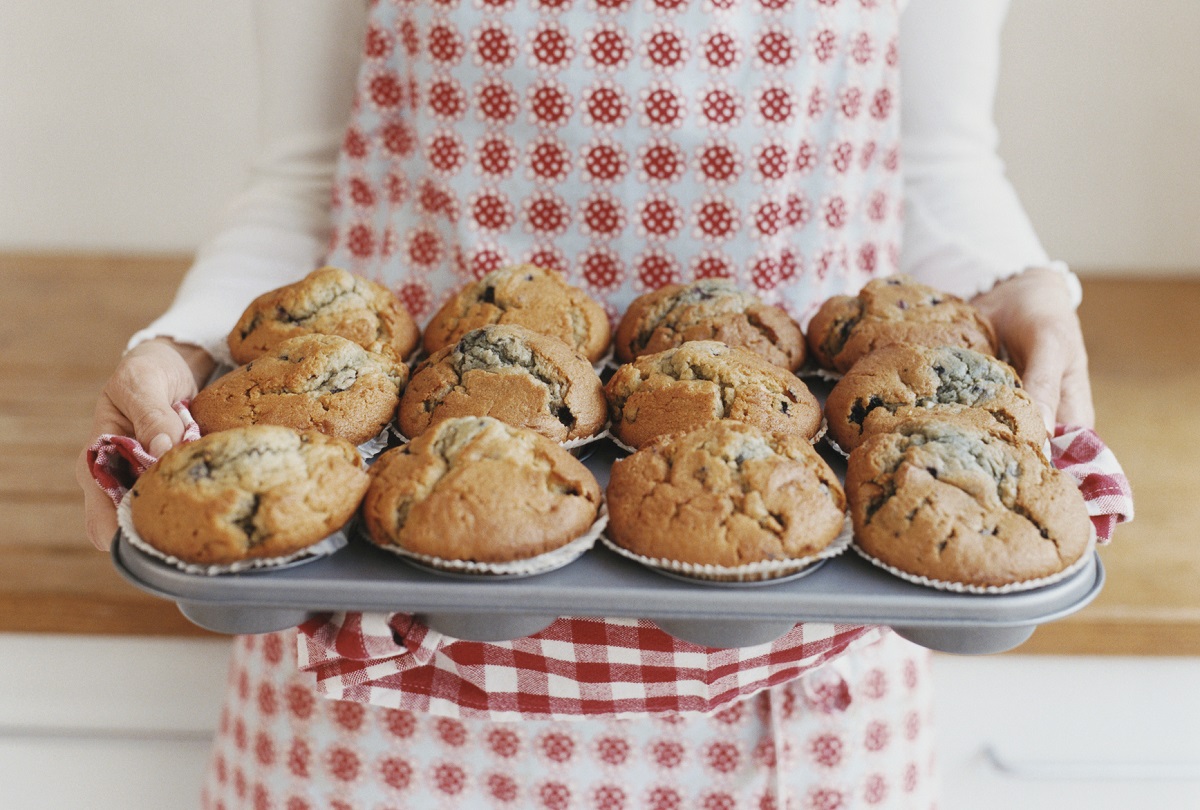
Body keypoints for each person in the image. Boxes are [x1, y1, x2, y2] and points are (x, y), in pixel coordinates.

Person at [76, 0, 1094, 806]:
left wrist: (1019, 283)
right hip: (376, 652)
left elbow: (942, 166)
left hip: (796, 661)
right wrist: (185, 340)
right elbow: (298, 180)